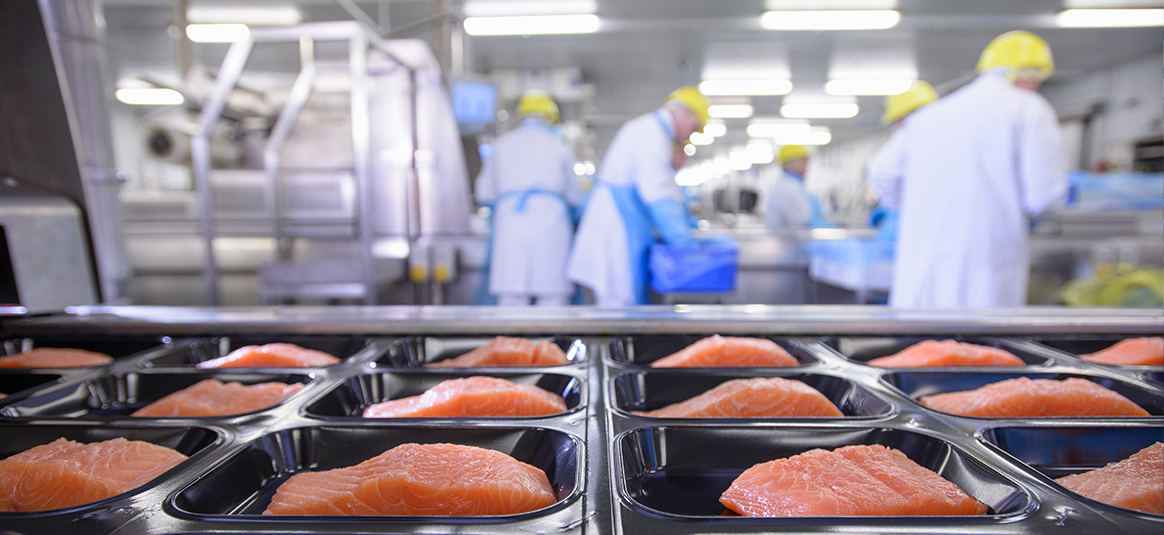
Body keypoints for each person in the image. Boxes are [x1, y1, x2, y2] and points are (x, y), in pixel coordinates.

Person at [868, 30, 1068, 308]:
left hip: (920, 279)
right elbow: (1044, 198)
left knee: (920, 346)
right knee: (978, 347)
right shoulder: (1029, 107)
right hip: (984, 271)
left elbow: (882, 170)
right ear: (1030, 74)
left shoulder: (931, 115)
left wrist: (911, 209)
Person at [566, 87, 708, 306]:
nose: (692, 134)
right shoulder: (651, 134)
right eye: (695, 126)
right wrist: (685, 245)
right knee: (615, 316)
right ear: (685, 112)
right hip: (614, 240)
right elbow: (660, 197)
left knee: (618, 315)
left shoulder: (650, 131)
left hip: (617, 236)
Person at [474, 90, 583, 306]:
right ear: (550, 118)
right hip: (552, 229)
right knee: (553, 297)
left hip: (511, 226)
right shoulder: (560, 146)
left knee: (510, 297)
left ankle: (509, 340)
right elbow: (575, 196)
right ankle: (553, 341)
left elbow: (483, 193)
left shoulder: (501, 144)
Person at [867, 80, 940, 240]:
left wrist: (896, 208)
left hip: (914, 225)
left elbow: (881, 170)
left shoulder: (912, 130)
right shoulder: (947, 135)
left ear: (901, 119)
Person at [764, 145, 836, 228]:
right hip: (787, 239)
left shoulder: (788, 183)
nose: (807, 165)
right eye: (804, 161)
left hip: (786, 238)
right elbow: (805, 222)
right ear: (794, 163)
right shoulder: (789, 188)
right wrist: (834, 226)